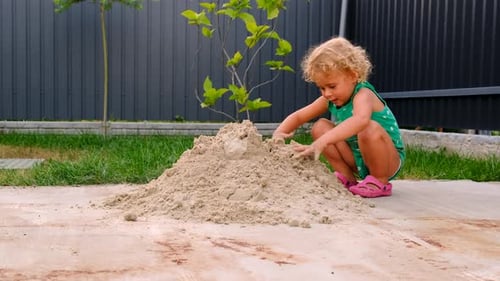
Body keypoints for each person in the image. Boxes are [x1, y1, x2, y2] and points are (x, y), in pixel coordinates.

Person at [272, 37, 405, 198]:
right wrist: (279, 133)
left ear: (353, 75)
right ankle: (347, 178)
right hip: (358, 158)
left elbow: (360, 120)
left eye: (332, 86)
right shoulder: (330, 99)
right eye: (321, 87)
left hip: (387, 160)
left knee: (367, 128)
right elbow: (299, 116)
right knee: (320, 126)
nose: (327, 93)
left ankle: (379, 181)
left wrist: (323, 141)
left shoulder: (364, 94)